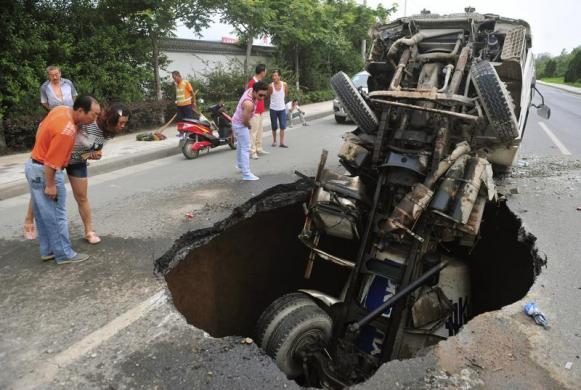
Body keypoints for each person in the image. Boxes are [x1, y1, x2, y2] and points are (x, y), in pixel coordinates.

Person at [24, 104, 130, 245]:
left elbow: (94, 149)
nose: (123, 126)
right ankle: (29, 220)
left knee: (82, 197)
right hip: (58, 157)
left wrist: (93, 155)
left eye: (125, 123)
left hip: (77, 161)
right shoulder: (89, 120)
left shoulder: (109, 132)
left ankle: (89, 231)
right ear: (111, 119)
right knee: (42, 190)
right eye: (121, 122)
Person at [24, 96, 100, 265]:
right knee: (57, 215)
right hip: (45, 171)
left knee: (43, 215)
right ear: (80, 111)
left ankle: (48, 250)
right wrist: (51, 185)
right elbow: (51, 163)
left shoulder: (60, 110)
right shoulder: (67, 130)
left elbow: (41, 128)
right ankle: (64, 254)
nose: (94, 119)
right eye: (93, 115)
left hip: (33, 165)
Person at [231, 81, 269, 181]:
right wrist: (248, 126)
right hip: (240, 124)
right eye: (260, 95)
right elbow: (245, 120)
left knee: (240, 145)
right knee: (245, 147)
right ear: (255, 92)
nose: (262, 98)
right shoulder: (248, 104)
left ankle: (240, 165)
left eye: (264, 95)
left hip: (236, 122)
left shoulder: (250, 90)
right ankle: (246, 174)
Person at [247, 64, 269, 159]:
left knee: (260, 131)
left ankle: (258, 148)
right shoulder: (252, 83)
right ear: (262, 72)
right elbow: (249, 97)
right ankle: (252, 151)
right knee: (253, 132)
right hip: (254, 112)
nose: (266, 73)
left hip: (260, 110)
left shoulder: (260, 82)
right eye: (265, 71)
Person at [268, 70, 289, 148]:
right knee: (274, 126)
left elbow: (286, 94)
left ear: (279, 76)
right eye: (273, 76)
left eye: (276, 75)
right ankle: (274, 141)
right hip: (273, 109)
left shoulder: (285, 84)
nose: (274, 77)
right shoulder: (270, 86)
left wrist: (282, 103)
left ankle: (282, 142)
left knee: (283, 126)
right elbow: (268, 95)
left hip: (282, 108)